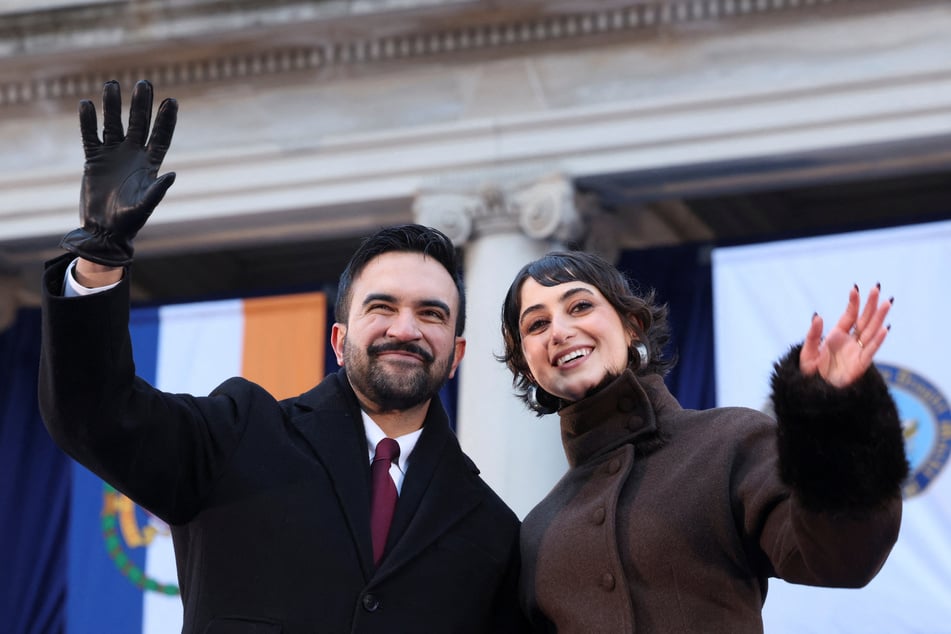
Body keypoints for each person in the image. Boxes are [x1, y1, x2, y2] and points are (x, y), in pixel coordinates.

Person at [39, 79, 526, 633]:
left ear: (456, 353)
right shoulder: (240, 436)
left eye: (432, 314)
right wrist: (100, 259)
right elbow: (95, 415)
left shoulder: (491, 529)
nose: (405, 328)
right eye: (382, 307)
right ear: (339, 341)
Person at [498, 250, 908, 633]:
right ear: (527, 366)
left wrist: (836, 415)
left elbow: (844, 559)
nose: (560, 331)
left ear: (630, 326)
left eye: (580, 307)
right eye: (537, 324)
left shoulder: (730, 442)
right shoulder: (537, 532)